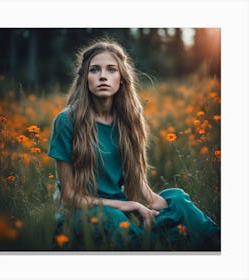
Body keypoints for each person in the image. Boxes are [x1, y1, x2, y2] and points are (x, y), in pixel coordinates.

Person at [48, 38, 220, 251]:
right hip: (82, 215)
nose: (103, 75)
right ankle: (156, 245)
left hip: (122, 211)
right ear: (85, 78)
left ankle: (219, 248)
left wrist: (154, 202)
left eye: (111, 70)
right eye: (94, 70)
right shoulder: (66, 121)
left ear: (121, 78)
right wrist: (128, 205)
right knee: (117, 221)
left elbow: (137, 180)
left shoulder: (129, 118)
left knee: (176, 197)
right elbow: (69, 197)